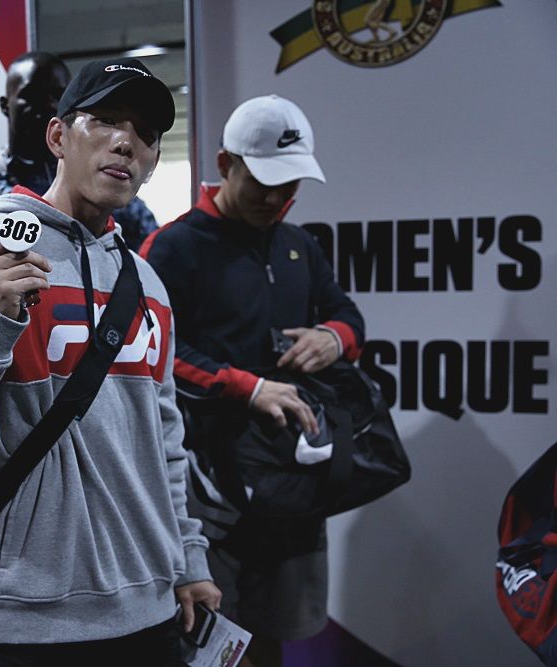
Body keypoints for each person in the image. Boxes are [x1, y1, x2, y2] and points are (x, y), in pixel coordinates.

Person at [0, 58, 220, 665]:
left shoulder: (147, 284)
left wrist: (189, 561)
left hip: (153, 606)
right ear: (58, 136)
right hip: (32, 615)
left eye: (145, 133)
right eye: (106, 120)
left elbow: (165, 441)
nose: (126, 142)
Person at [140, 94, 366, 667]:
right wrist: (246, 387)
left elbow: (347, 314)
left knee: (274, 636)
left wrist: (334, 336)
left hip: (289, 483)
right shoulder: (173, 247)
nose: (276, 198)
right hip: (205, 487)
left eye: (289, 185)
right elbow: (151, 352)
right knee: (206, 642)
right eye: (264, 182)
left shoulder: (298, 245)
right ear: (225, 164)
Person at [0, 51, 159, 303]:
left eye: (58, 96)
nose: (49, 105)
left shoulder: (118, 198)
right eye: (32, 96)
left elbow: (144, 284)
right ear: (5, 105)